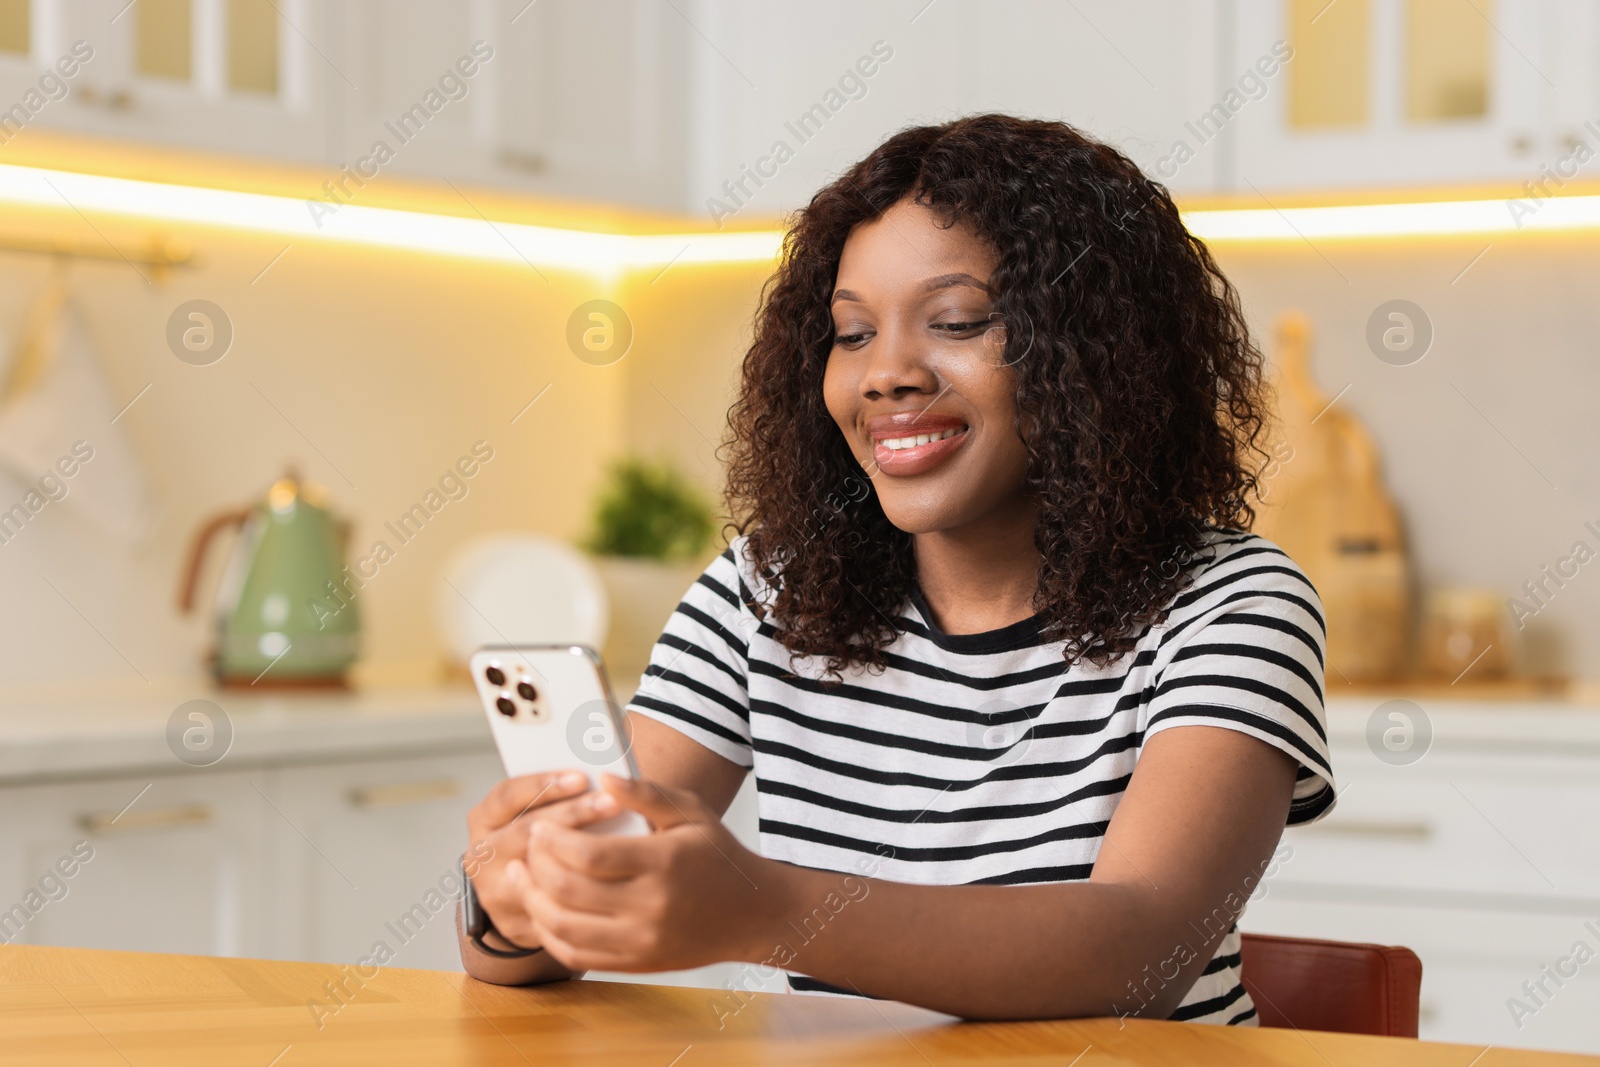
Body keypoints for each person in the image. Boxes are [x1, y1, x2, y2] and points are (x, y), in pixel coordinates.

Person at [458, 112, 1333, 1024]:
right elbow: (536, 934)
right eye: (851, 333)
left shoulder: (1230, 602)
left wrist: (765, 908)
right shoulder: (768, 588)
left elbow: (1134, 947)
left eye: (956, 321)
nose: (886, 374)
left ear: (1095, 354)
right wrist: (519, 902)